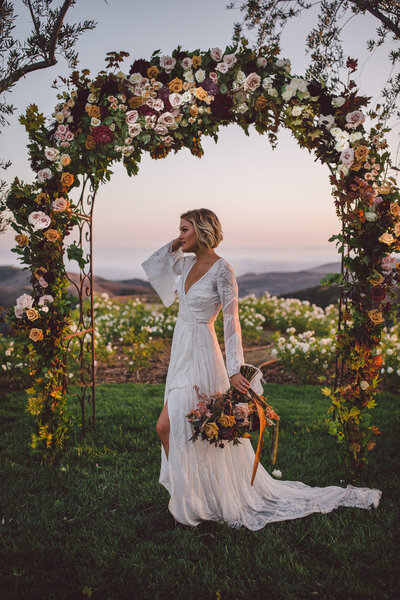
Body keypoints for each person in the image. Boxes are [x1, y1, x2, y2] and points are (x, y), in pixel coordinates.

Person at [141, 208, 381, 530]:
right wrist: (179, 242)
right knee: (177, 428)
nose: (179, 235)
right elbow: (154, 267)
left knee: (176, 426)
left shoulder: (223, 270)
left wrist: (234, 369)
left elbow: (232, 322)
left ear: (202, 230)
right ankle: (188, 495)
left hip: (203, 350)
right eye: (179, 230)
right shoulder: (184, 262)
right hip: (180, 350)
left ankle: (199, 497)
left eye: (185, 229)